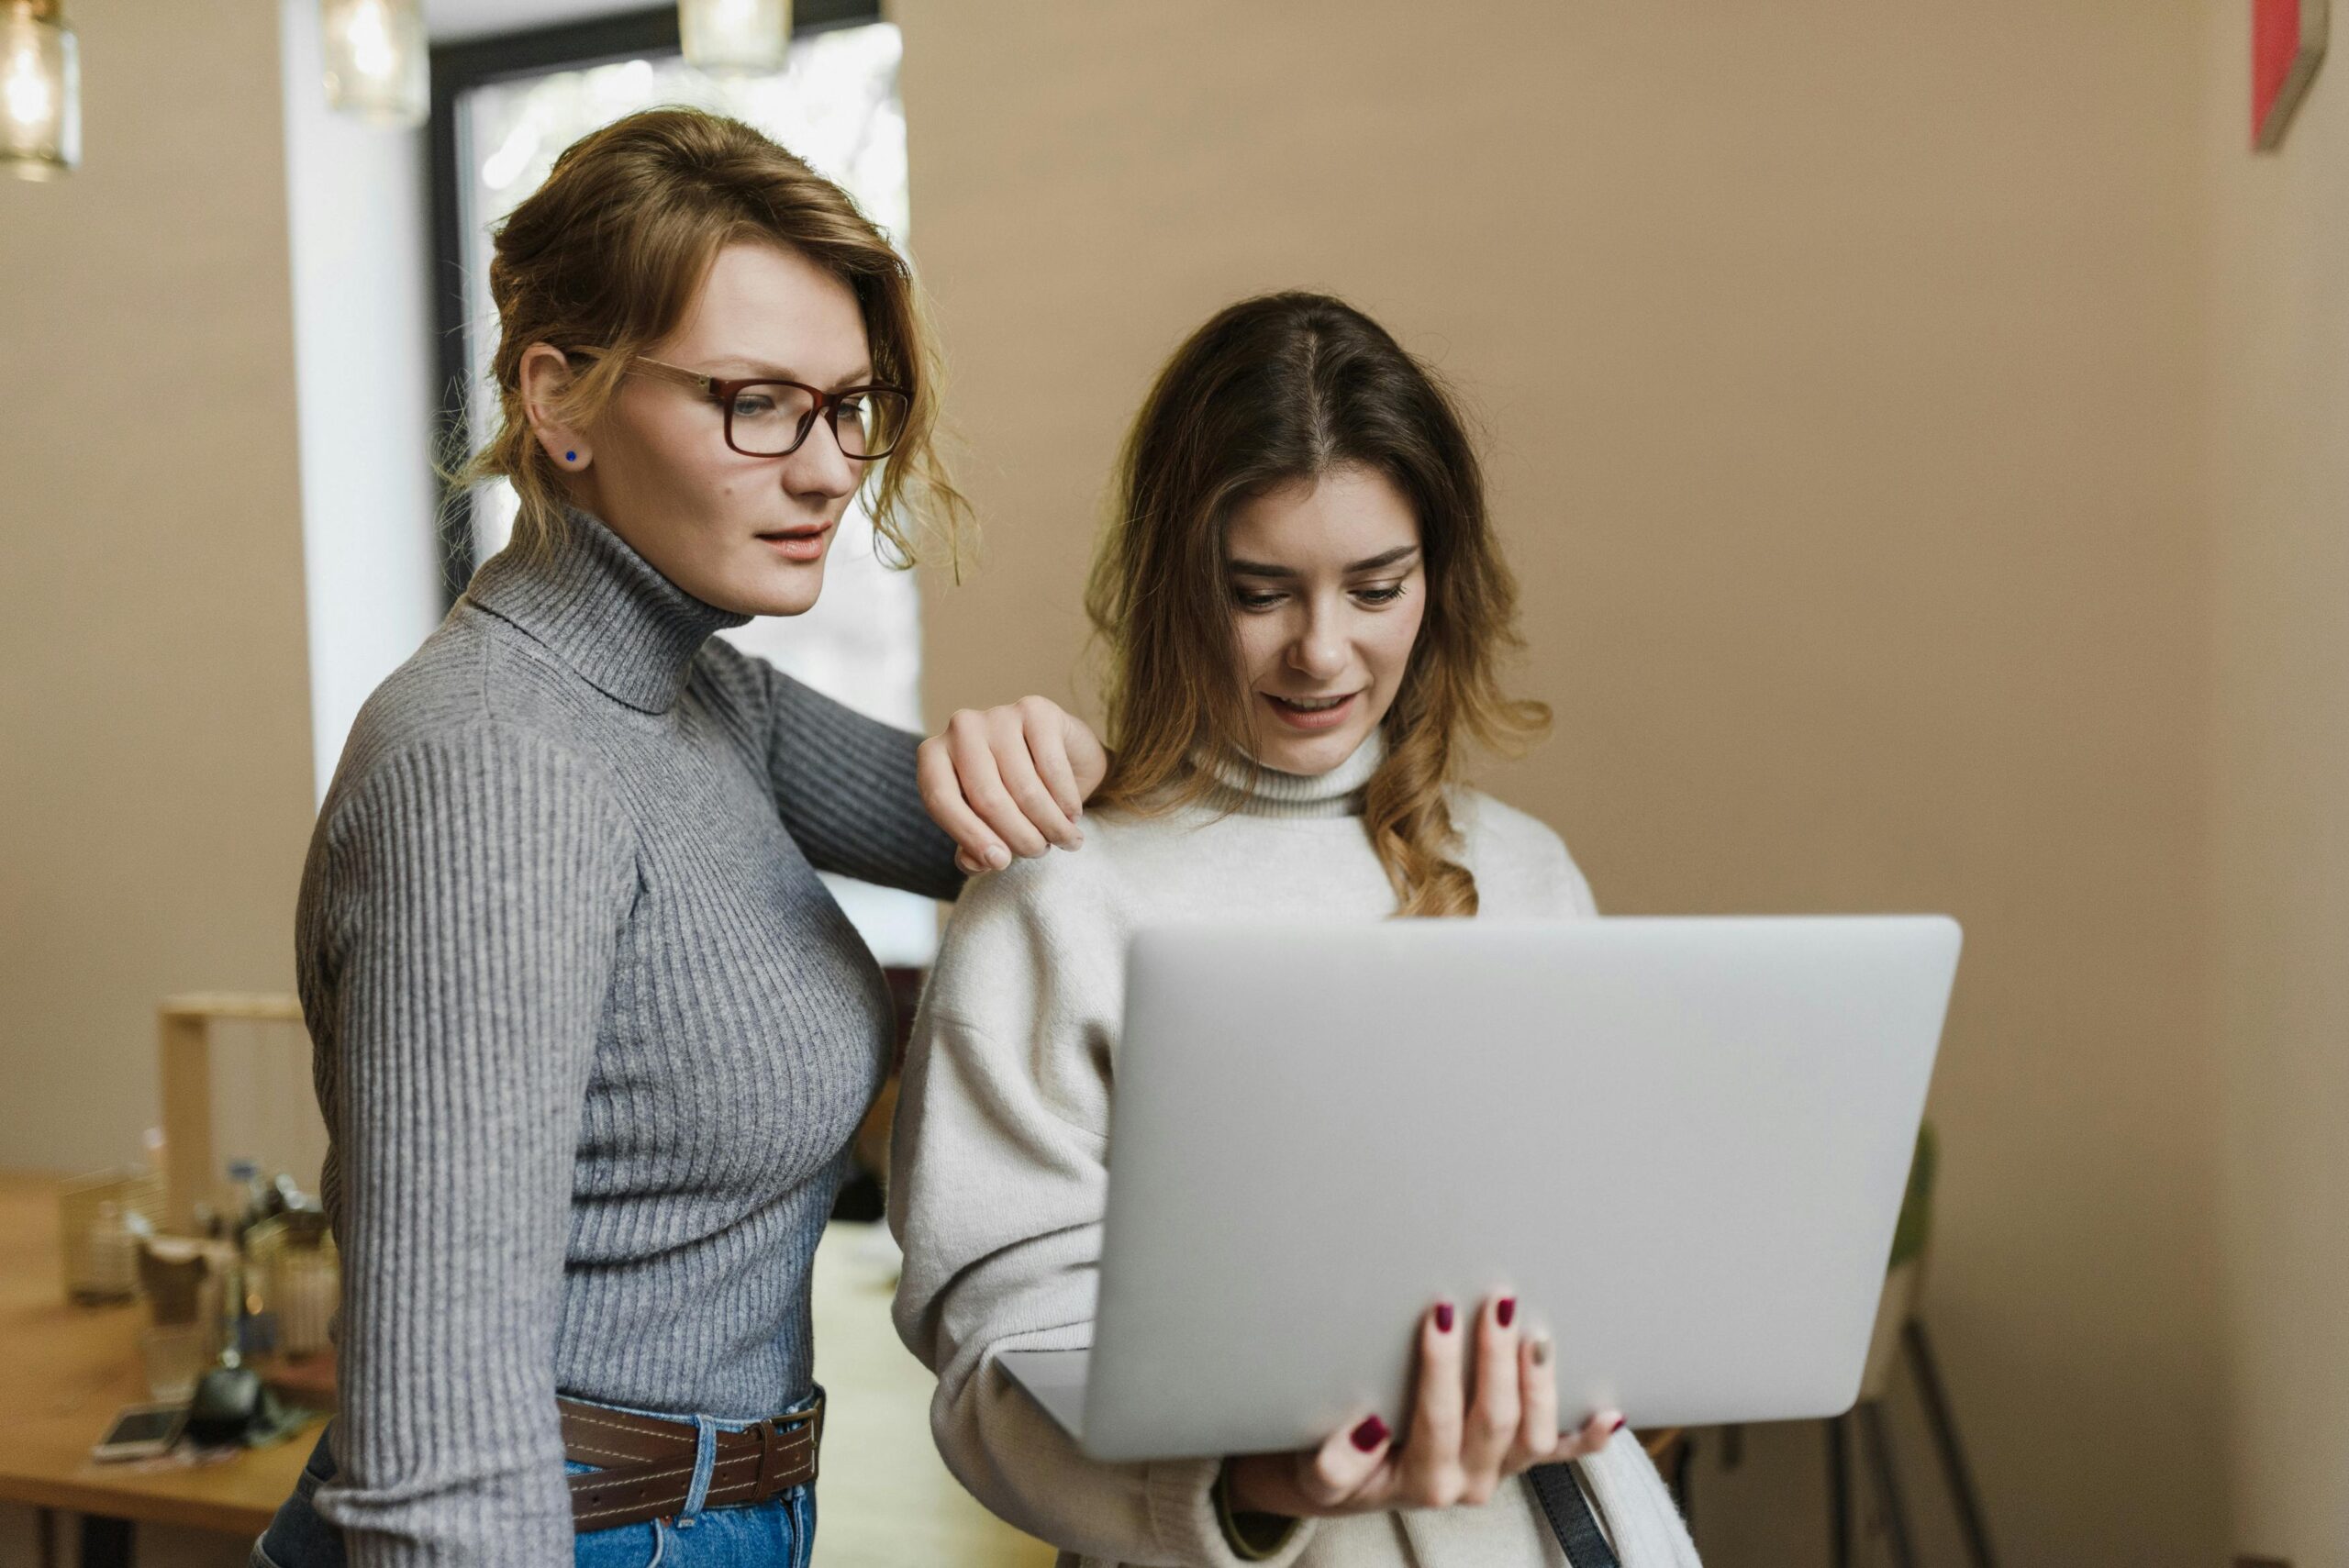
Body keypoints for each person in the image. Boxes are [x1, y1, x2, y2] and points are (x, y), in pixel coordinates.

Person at [251, 108, 1103, 1568]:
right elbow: (439, 1459)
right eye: (755, 400)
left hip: (701, 1514)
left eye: (847, 406)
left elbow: (1075, 842)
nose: (833, 469)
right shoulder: (491, 764)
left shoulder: (709, 699)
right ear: (559, 400)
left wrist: (1036, 751)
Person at [890, 293, 1703, 1566]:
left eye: (1377, 587)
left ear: (1440, 576)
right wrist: (1257, 1484)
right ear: (1171, 585)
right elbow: (999, 1370)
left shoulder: (1526, 870)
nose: (1322, 651)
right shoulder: (1056, 898)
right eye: (1258, 592)